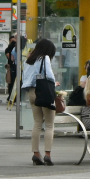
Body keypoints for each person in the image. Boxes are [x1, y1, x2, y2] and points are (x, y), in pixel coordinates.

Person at [21, 38, 59, 166]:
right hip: (43, 92)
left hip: (31, 93)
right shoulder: (44, 58)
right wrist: (54, 83)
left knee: (37, 123)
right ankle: (48, 154)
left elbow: (27, 78)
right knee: (49, 124)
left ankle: (36, 153)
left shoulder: (29, 59)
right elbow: (48, 76)